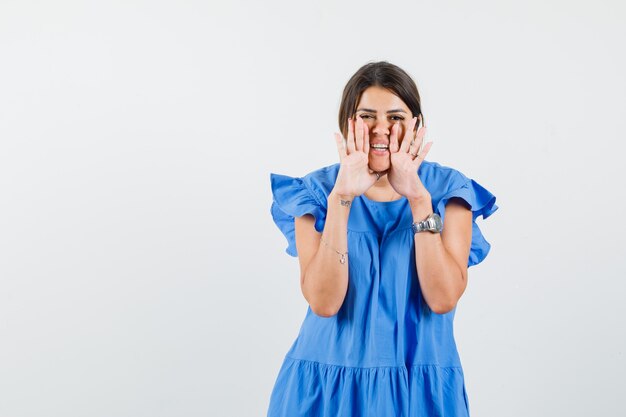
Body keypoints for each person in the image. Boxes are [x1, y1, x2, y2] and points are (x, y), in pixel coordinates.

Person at [266, 61, 499, 417]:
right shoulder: (316, 192)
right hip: (326, 390)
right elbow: (324, 302)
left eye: (395, 117)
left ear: (417, 125)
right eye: (366, 116)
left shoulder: (448, 192)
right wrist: (342, 198)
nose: (381, 129)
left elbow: (442, 298)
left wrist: (419, 199)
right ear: (347, 123)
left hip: (419, 392)